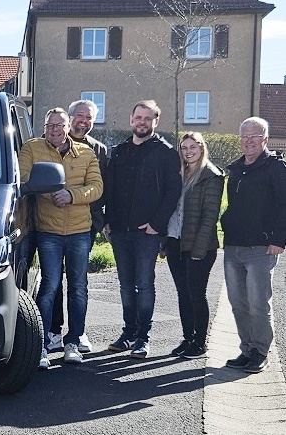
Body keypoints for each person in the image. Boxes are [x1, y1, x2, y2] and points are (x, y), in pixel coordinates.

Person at [18, 107, 102, 369]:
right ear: (44, 127)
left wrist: (71, 195)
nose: (55, 129)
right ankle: (42, 345)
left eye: (60, 125)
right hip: (49, 230)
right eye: (50, 125)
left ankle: (73, 341)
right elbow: (23, 178)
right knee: (49, 287)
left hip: (79, 230)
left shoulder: (86, 153)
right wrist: (49, 192)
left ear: (68, 127)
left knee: (78, 288)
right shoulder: (32, 148)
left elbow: (97, 187)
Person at [103, 100, 181, 359]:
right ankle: (128, 333)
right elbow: (110, 189)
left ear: (155, 122)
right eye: (139, 117)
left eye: (148, 118)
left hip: (147, 232)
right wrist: (106, 220)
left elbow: (173, 191)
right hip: (120, 231)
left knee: (144, 284)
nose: (142, 122)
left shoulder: (166, 152)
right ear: (131, 119)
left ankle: (142, 339)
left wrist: (156, 224)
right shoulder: (119, 151)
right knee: (126, 285)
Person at [220, 117, 286, 373]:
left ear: (265, 140)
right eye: (244, 136)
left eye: (254, 136)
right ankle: (247, 349)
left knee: (258, 302)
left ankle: (260, 351)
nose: (248, 141)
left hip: (262, 246)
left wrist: (279, 239)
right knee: (238, 302)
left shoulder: (276, 168)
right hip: (234, 245)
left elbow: (284, 205)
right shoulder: (236, 168)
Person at [45, 100, 109, 354]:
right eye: (79, 116)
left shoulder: (99, 150)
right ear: (70, 118)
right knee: (52, 281)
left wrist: (100, 221)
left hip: (84, 225)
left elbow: (103, 188)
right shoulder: (51, 143)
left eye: (89, 117)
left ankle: (77, 334)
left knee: (78, 281)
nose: (84, 121)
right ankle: (54, 331)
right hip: (50, 223)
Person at [166, 132, 224, 359]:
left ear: (202, 148)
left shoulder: (211, 175)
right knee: (183, 293)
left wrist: (199, 250)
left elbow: (210, 217)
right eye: (184, 148)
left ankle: (200, 342)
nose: (188, 151)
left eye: (193, 147)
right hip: (175, 241)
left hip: (199, 246)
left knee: (196, 294)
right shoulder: (179, 174)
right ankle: (187, 337)